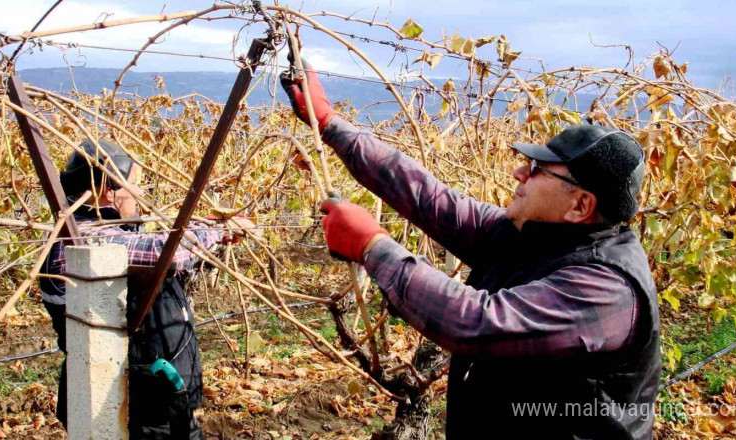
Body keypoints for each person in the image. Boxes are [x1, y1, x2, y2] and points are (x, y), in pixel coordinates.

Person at [281, 63, 660, 439]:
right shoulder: (529, 234)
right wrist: (330, 122)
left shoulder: (607, 289)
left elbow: (477, 322)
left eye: (537, 169)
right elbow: (427, 196)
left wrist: (372, 246)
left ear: (579, 205)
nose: (519, 174)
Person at [40, 139, 248, 439]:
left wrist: (208, 233)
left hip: (153, 394)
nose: (139, 194)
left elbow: (161, 256)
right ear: (106, 189)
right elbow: (164, 252)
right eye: (135, 185)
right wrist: (217, 230)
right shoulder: (81, 239)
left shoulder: (106, 231)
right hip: (125, 402)